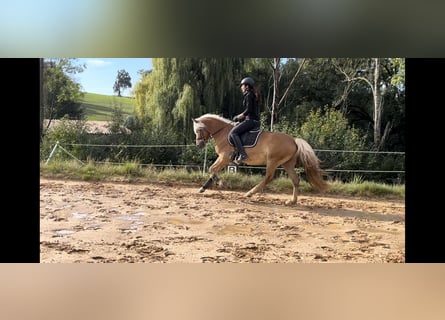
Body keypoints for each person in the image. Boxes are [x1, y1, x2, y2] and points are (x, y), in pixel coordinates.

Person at [229, 76, 260, 165]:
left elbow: (249, 110)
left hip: (251, 121)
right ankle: (237, 152)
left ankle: (243, 155)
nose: (241, 87)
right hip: (252, 120)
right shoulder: (251, 95)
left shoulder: (249, 95)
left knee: (233, 133)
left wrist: (239, 117)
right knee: (237, 129)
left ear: (247, 86)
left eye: (242, 85)